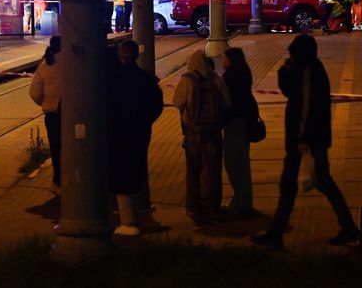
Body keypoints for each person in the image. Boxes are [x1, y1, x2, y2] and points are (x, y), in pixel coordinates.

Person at [252, 35, 360, 250]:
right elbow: (291, 93)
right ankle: (277, 232)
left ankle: (348, 229)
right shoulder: (307, 69)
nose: (290, 57)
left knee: (314, 182)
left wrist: (302, 137)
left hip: (307, 138)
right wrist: (285, 72)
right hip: (307, 137)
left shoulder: (310, 71)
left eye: (292, 54)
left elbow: (306, 106)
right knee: (302, 183)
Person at [109, 40, 164, 235]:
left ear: (120, 56)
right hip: (140, 132)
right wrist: (145, 121)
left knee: (120, 173)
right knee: (137, 168)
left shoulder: (113, 80)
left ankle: (128, 221)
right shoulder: (146, 79)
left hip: (118, 133)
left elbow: (106, 107)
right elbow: (157, 105)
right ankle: (141, 210)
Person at [173, 51, 231, 220]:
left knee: (193, 170)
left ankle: (193, 206)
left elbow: (177, 103)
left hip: (193, 132)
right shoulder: (216, 79)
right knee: (213, 169)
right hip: (213, 131)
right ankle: (213, 205)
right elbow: (228, 103)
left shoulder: (187, 80)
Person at [223, 47, 258, 215]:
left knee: (235, 163)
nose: (223, 61)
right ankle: (243, 201)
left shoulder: (231, 78)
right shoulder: (244, 74)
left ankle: (241, 203)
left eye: (225, 58)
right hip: (246, 120)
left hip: (235, 123)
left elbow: (231, 103)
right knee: (241, 162)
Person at [29, 36, 62, 195]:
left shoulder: (45, 65)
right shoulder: (75, 63)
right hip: (75, 113)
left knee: (56, 148)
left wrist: (46, 102)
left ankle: (58, 182)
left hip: (53, 114)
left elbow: (34, 92)